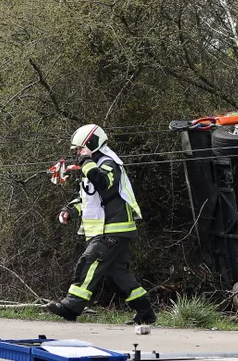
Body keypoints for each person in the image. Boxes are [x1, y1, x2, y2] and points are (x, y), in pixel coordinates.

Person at [45, 125, 155, 324]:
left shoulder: (109, 163)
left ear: (92, 143)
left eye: (81, 148)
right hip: (104, 230)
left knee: (88, 263)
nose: (78, 153)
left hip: (112, 229)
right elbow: (87, 199)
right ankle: (145, 313)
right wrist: (69, 211)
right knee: (118, 273)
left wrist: (87, 162)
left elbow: (103, 182)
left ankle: (71, 307)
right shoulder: (92, 167)